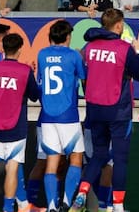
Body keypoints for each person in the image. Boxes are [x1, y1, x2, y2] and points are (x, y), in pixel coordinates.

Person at [72, 9, 139, 212]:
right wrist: (138, 50)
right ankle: (118, 205)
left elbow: (84, 74)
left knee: (98, 156)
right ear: (119, 26)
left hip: (95, 109)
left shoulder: (89, 47)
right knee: (120, 159)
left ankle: (82, 192)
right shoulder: (124, 48)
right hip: (118, 111)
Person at [0, 33, 39, 212]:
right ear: (19, 49)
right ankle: (8, 207)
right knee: (12, 168)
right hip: (15, 127)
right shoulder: (24, 71)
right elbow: (35, 96)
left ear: (3, 48)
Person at [36, 20, 87, 212]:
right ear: (67, 37)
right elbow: (83, 78)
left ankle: (51, 206)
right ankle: (65, 202)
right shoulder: (73, 55)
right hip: (68, 115)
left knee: (51, 162)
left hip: (48, 116)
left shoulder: (42, 54)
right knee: (75, 159)